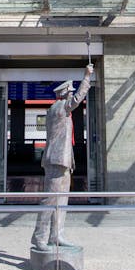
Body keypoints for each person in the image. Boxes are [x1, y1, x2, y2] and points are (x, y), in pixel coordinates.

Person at [31, 63, 95, 251]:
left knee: (62, 200)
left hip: (64, 161)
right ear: (64, 93)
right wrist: (86, 77)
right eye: (70, 92)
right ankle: (39, 237)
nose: (71, 94)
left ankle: (56, 235)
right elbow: (76, 100)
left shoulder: (59, 109)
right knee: (50, 199)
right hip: (56, 160)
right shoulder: (59, 108)